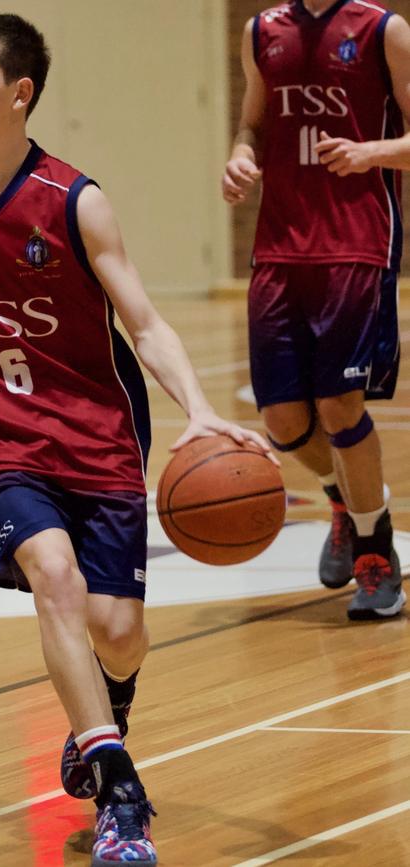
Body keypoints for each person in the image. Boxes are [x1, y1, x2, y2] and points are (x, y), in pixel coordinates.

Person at [0, 14, 274, 865]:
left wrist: (198, 411)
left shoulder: (76, 201)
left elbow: (142, 324)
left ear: (19, 93)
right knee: (53, 574)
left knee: (118, 630)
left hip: (101, 440)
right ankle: (120, 792)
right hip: (5, 450)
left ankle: (108, 703)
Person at [223, 0, 410, 620]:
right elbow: (252, 124)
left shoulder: (383, 29)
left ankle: (374, 551)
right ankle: (348, 499)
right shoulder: (261, 32)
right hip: (279, 245)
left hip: (356, 242)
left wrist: (370, 154)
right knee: (279, 420)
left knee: (338, 405)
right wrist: (241, 155)